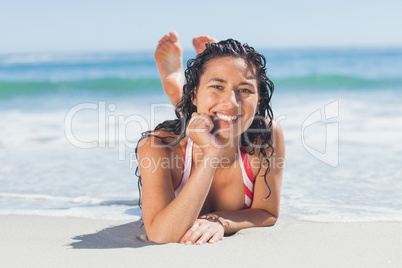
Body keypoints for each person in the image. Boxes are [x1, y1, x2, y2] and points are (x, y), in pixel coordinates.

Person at [135, 31, 285, 245]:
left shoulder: (265, 137)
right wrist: (211, 154)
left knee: (217, 113)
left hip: (205, 105)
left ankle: (194, 80)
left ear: (259, 101)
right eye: (217, 86)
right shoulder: (158, 146)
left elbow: (267, 212)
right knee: (212, 114)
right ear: (194, 94)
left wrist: (221, 221)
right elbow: (161, 234)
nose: (232, 101)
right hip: (190, 124)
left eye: (245, 89)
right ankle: (179, 88)